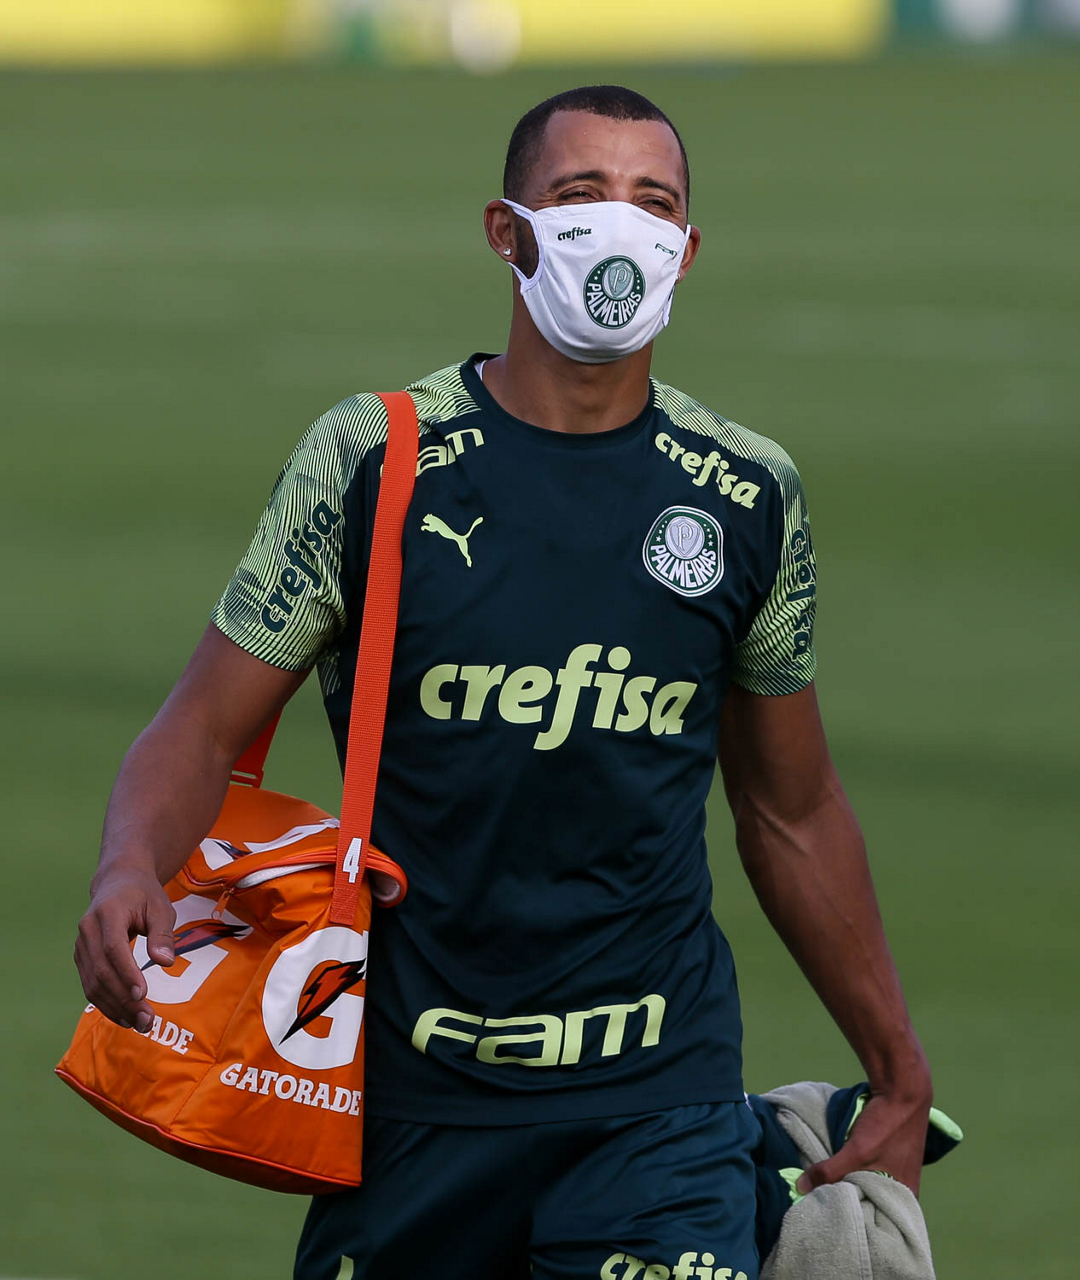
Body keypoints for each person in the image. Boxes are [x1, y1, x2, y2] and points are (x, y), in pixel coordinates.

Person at [74, 86, 932, 1280]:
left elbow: (791, 808)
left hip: (659, 1103)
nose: (620, 225)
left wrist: (895, 1063)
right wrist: (129, 862)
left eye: (654, 202)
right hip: (412, 1107)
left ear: (687, 250)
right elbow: (204, 725)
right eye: (581, 193)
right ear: (506, 230)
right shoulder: (374, 461)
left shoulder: (746, 493)